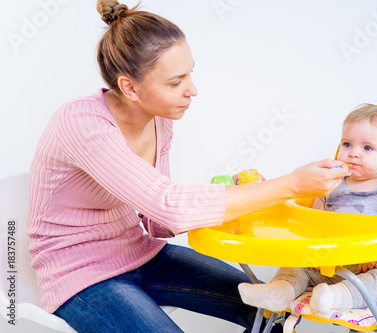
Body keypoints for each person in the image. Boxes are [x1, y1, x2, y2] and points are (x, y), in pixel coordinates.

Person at [25, 1, 349, 332]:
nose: (192, 90)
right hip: (80, 277)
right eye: (175, 82)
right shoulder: (81, 123)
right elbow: (170, 209)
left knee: (270, 309)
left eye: (190, 73)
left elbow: (157, 223)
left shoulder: (160, 121)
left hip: (140, 254)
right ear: (129, 87)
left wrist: (239, 198)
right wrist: (292, 183)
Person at [238, 104, 377, 313]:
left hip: (365, 269)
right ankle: (278, 292)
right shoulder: (329, 185)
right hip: (321, 262)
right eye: (347, 144)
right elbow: (313, 224)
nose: (353, 154)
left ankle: (334, 297)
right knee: (294, 265)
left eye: (367, 148)